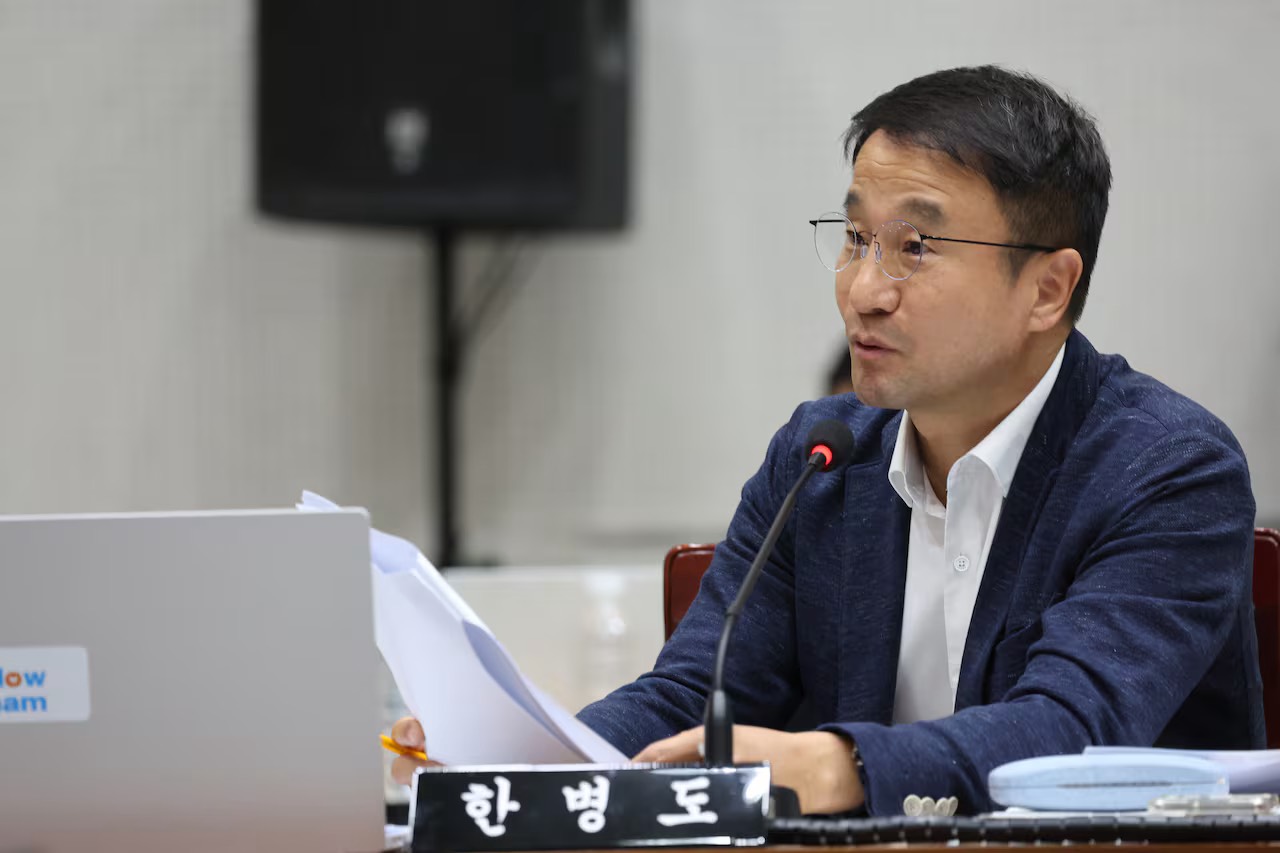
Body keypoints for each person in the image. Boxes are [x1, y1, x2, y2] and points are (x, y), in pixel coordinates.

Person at [392, 65, 1263, 815]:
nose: (862, 290)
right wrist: (528, 758)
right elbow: (697, 699)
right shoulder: (823, 457)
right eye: (854, 238)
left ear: (1047, 289)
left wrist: (840, 764)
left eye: (915, 247)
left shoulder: (1167, 470)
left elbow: (1071, 734)